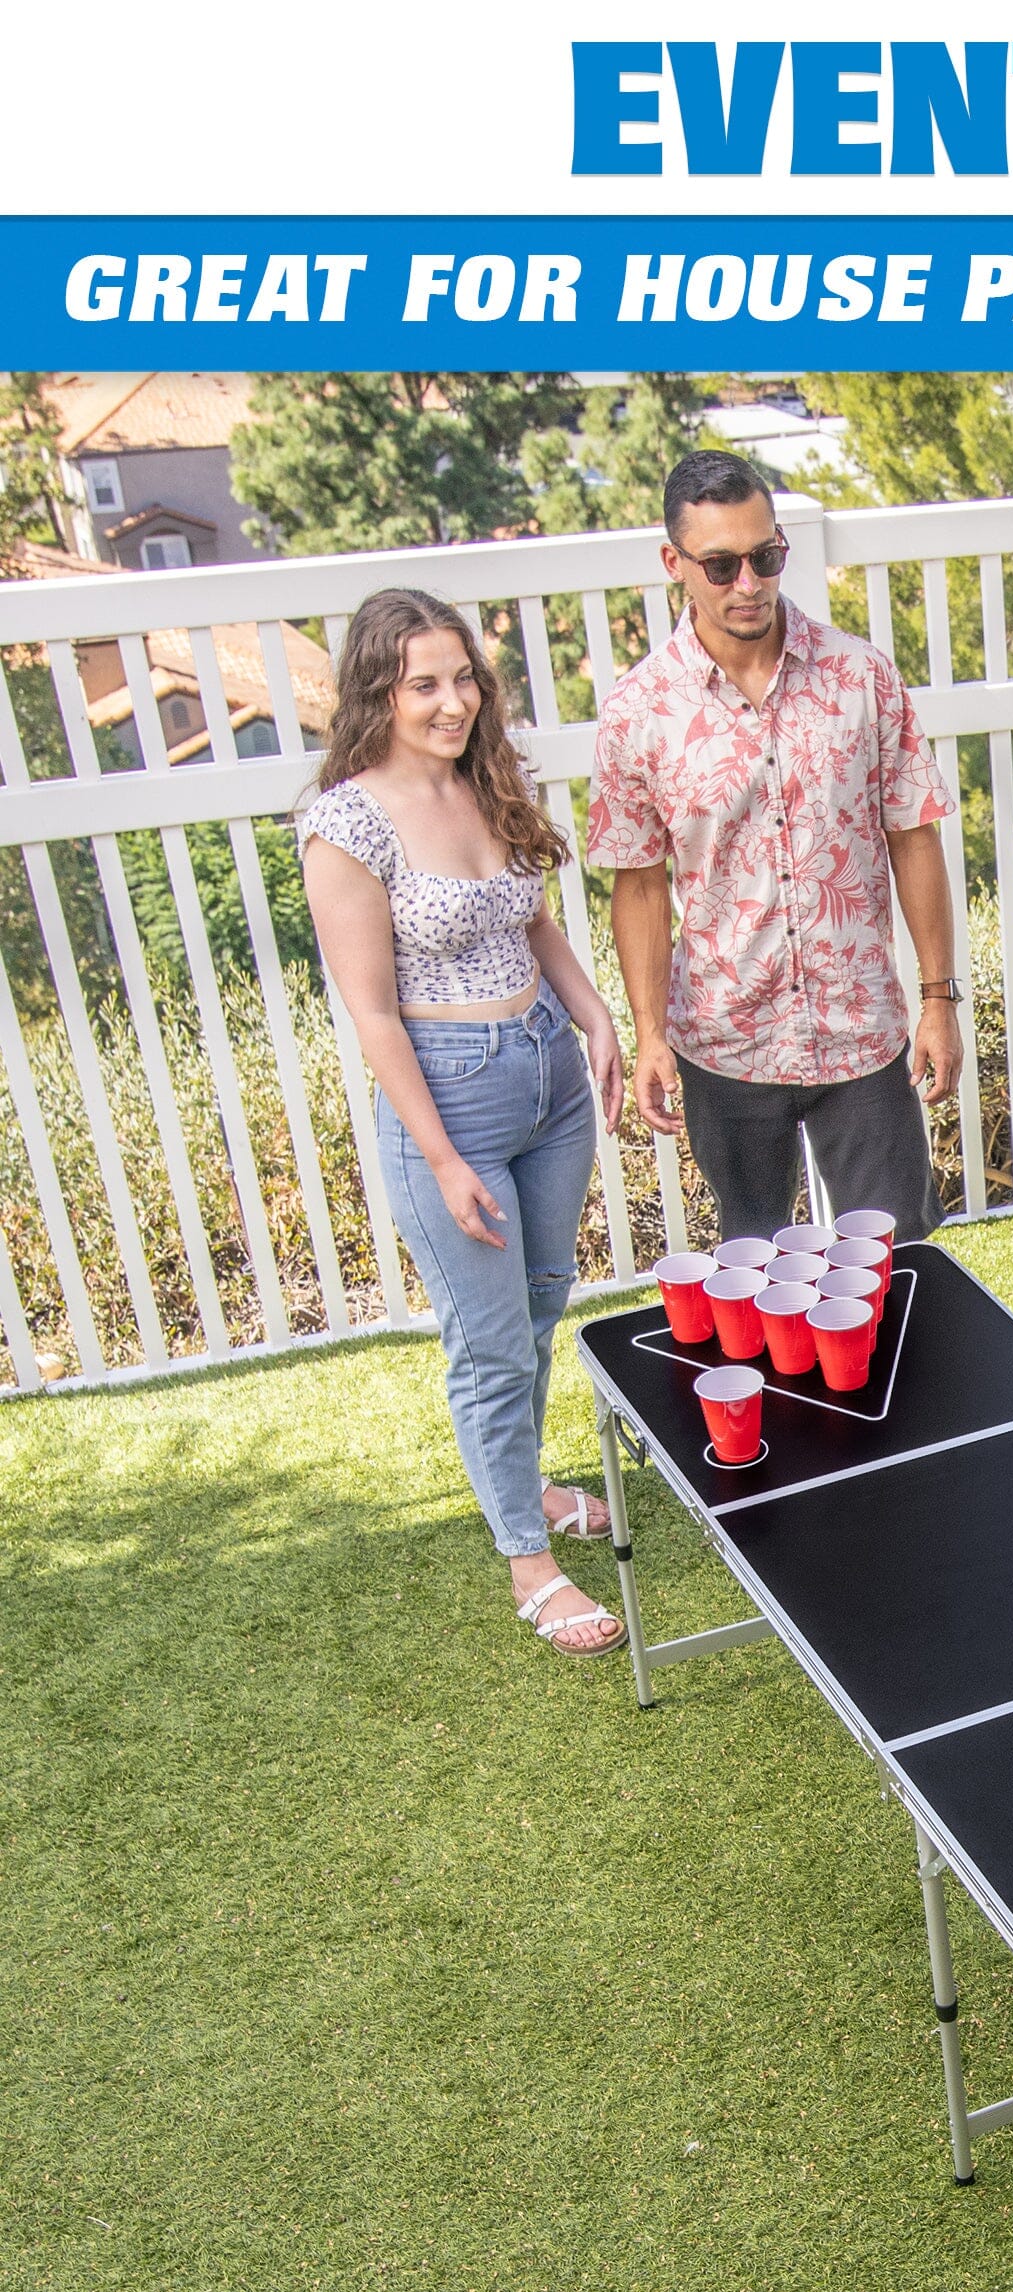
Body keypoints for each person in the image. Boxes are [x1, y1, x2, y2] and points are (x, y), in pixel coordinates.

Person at [299, 588, 628, 1657]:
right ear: (378, 692)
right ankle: (532, 1565)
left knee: (535, 1313)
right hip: (451, 1093)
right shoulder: (347, 819)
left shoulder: (489, 779)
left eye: (464, 678)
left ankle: (522, 1482)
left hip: (548, 1078)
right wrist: (440, 1159)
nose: (453, 702)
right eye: (424, 684)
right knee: (486, 1343)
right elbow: (374, 1012)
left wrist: (596, 1020)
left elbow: (535, 922)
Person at [586, 447, 961, 1249]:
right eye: (720, 565)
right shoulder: (637, 713)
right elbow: (640, 887)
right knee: (752, 1267)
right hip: (724, 1040)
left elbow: (914, 835)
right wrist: (650, 1032)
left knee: (900, 1264)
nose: (748, 583)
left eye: (765, 557)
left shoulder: (861, 677)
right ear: (674, 564)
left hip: (860, 1029)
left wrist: (938, 998)